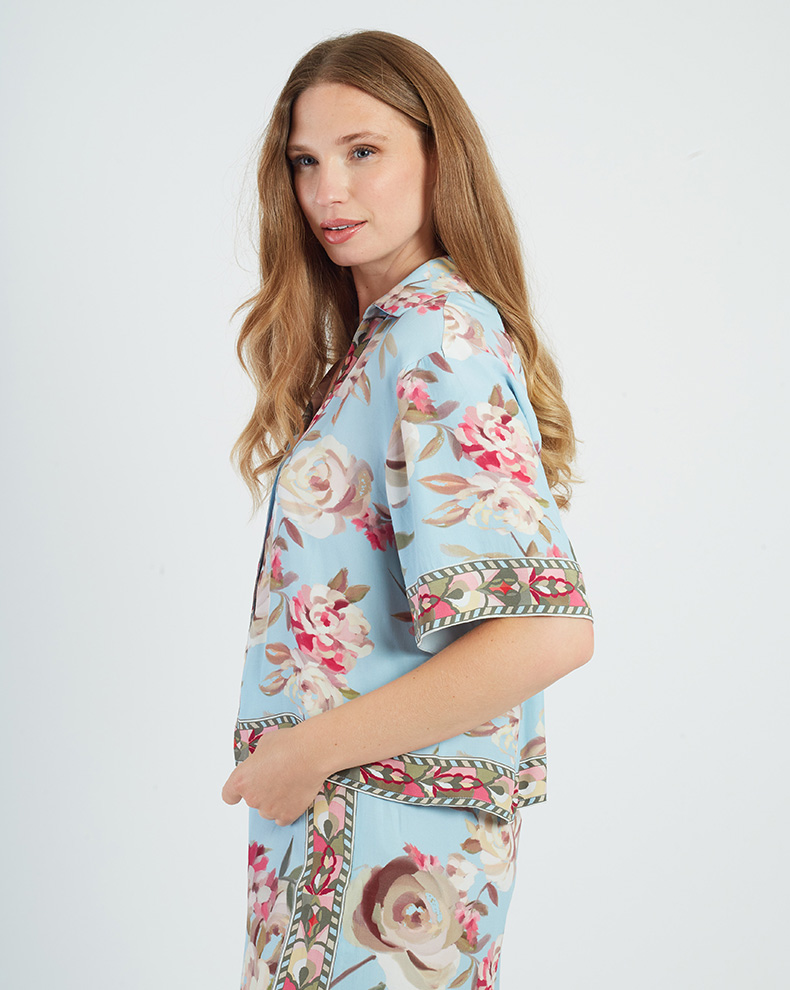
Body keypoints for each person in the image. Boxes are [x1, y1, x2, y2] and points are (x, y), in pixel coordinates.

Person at [221, 29, 594, 990]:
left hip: (382, 842)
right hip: (347, 829)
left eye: (363, 151)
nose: (328, 192)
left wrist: (305, 753)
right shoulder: (386, 344)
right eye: (306, 162)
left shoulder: (436, 339)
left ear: (439, 156)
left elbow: (544, 633)